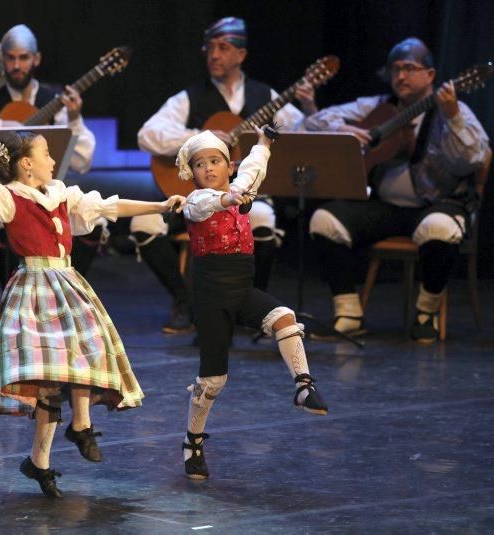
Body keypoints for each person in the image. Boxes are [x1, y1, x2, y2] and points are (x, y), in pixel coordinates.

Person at [0, 129, 186, 498]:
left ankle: (80, 425)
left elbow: (109, 206)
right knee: (47, 377)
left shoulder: (62, 193)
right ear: (26, 164)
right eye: (45, 153)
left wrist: (159, 206)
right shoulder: (9, 198)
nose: (52, 160)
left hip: (67, 282)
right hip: (34, 288)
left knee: (85, 351)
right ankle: (42, 461)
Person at [136, 16, 318, 334]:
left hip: (241, 196)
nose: (214, 55)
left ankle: (248, 305)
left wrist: (309, 105)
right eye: (209, 48)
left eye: (223, 48)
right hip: (195, 197)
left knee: (261, 217)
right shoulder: (189, 97)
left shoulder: (267, 96)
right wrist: (201, 137)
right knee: (144, 222)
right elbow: (147, 135)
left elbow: (305, 135)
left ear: (241, 55)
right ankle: (185, 301)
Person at [305, 37, 490, 344]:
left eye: (409, 68)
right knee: (324, 219)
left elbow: (476, 157)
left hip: (437, 203)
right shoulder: (377, 105)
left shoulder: (452, 108)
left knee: (439, 228)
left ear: (430, 75)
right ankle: (349, 314)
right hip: (387, 208)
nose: (400, 76)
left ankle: (425, 312)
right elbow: (313, 121)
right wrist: (343, 128)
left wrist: (454, 116)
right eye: (395, 70)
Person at [176, 127, 328, 480]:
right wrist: (231, 198)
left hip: (242, 290)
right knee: (213, 380)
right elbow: (211, 203)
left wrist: (264, 143)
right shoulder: (196, 201)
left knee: (285, 317)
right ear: (193, 172)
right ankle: (192, 442)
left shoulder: (239, 183)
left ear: (228, 166)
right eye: (200, 165)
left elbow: (254, 168)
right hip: (212, 299)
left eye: (215, 162)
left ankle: (304, 387)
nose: (208, 169)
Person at [0, 24, 103, 279]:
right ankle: (15, 297)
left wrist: (73, 118)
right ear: (2, 60)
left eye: (23, 57)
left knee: (94, 223)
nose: (17, 65)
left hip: (49, 198)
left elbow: (83, 161)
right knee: (7, 220)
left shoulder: (56, 103)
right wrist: (2, 125)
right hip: (8, 197)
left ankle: (67, 286)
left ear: (36, 59)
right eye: (11, 58)